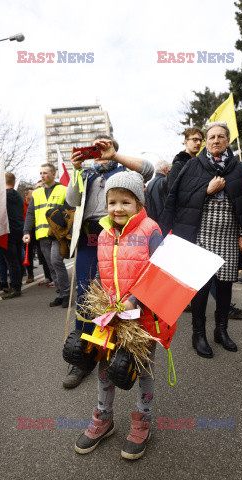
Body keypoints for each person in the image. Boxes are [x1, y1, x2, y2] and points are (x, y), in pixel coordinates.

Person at [74, 171, 175, 460]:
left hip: (142, 318)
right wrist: (98, 294)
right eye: (112, 202)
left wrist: (135, 300)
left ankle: (142, 422)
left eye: (125, 202)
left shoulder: (150, 230)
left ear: (138, 203)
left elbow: (161, 273)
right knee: (105, 367)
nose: (117, 208)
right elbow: (104, 271)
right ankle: (103, 418)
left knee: (141, 369)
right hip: (112, 317)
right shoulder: (104, 233)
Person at [63, 135, 154, 388]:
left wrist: (113, 156)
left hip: (119, 234)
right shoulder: (88, 173)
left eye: (104, 146)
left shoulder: (125, 171)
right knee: (85, 294)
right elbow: (71, 200)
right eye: (94, 147)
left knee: (120, 292)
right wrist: (76, 169)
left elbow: (149, 169)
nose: (98, 150)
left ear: (114, 148)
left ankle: (122, 349)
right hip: (90, 236)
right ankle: (83, 357)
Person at [162, 121, 242, 358]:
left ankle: (221, 331)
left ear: (227, 141)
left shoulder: (238, 168)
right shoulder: (192, 166)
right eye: (211, 137)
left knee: (225, 285)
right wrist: (207, 190)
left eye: (221, 137)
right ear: (206, 141)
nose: (216, 140)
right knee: (202, 287)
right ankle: (198, 334)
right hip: (200, 235)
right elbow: (178, 199)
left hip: (228, 235)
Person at [23, 163, 70, 307]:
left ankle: (66, 294)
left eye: (45, 173)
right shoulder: (36, 193)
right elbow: (30, 214)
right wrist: (26, 232)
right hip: (42, 234)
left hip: (58, 235)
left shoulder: (63, 190)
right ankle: (60, 294)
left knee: (56, 262)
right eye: (41, 173)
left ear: (54, 174)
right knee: (51, 266)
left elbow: (70, 212)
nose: (42, 176)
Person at [2, 173, 24, 300]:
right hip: (19, 230)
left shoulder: (3, 196)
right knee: (17, 260)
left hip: (8, 231)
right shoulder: (18, 196)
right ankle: (17, 284)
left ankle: (16, 287)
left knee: (12, 261)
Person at [167, 126, 204, 190]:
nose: (198, 143)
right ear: (185, 142)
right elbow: (172, 192)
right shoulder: (178, 165)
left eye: (200, 140)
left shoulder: (202, 164)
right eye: (195, 140)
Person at [144, 159, 170, 224]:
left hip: (152, 221)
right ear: (166, 169)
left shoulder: (149, 184)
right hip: (165, 222)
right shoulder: (166, 182)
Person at [23, 187, 35, 284]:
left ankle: (49, 276)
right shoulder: (21, 205)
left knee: (43, 254)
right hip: (27, 233)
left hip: (37, 230)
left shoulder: (36, 202)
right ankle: (30, 274)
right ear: (26, 195)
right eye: (32, 193)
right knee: (29, 254)